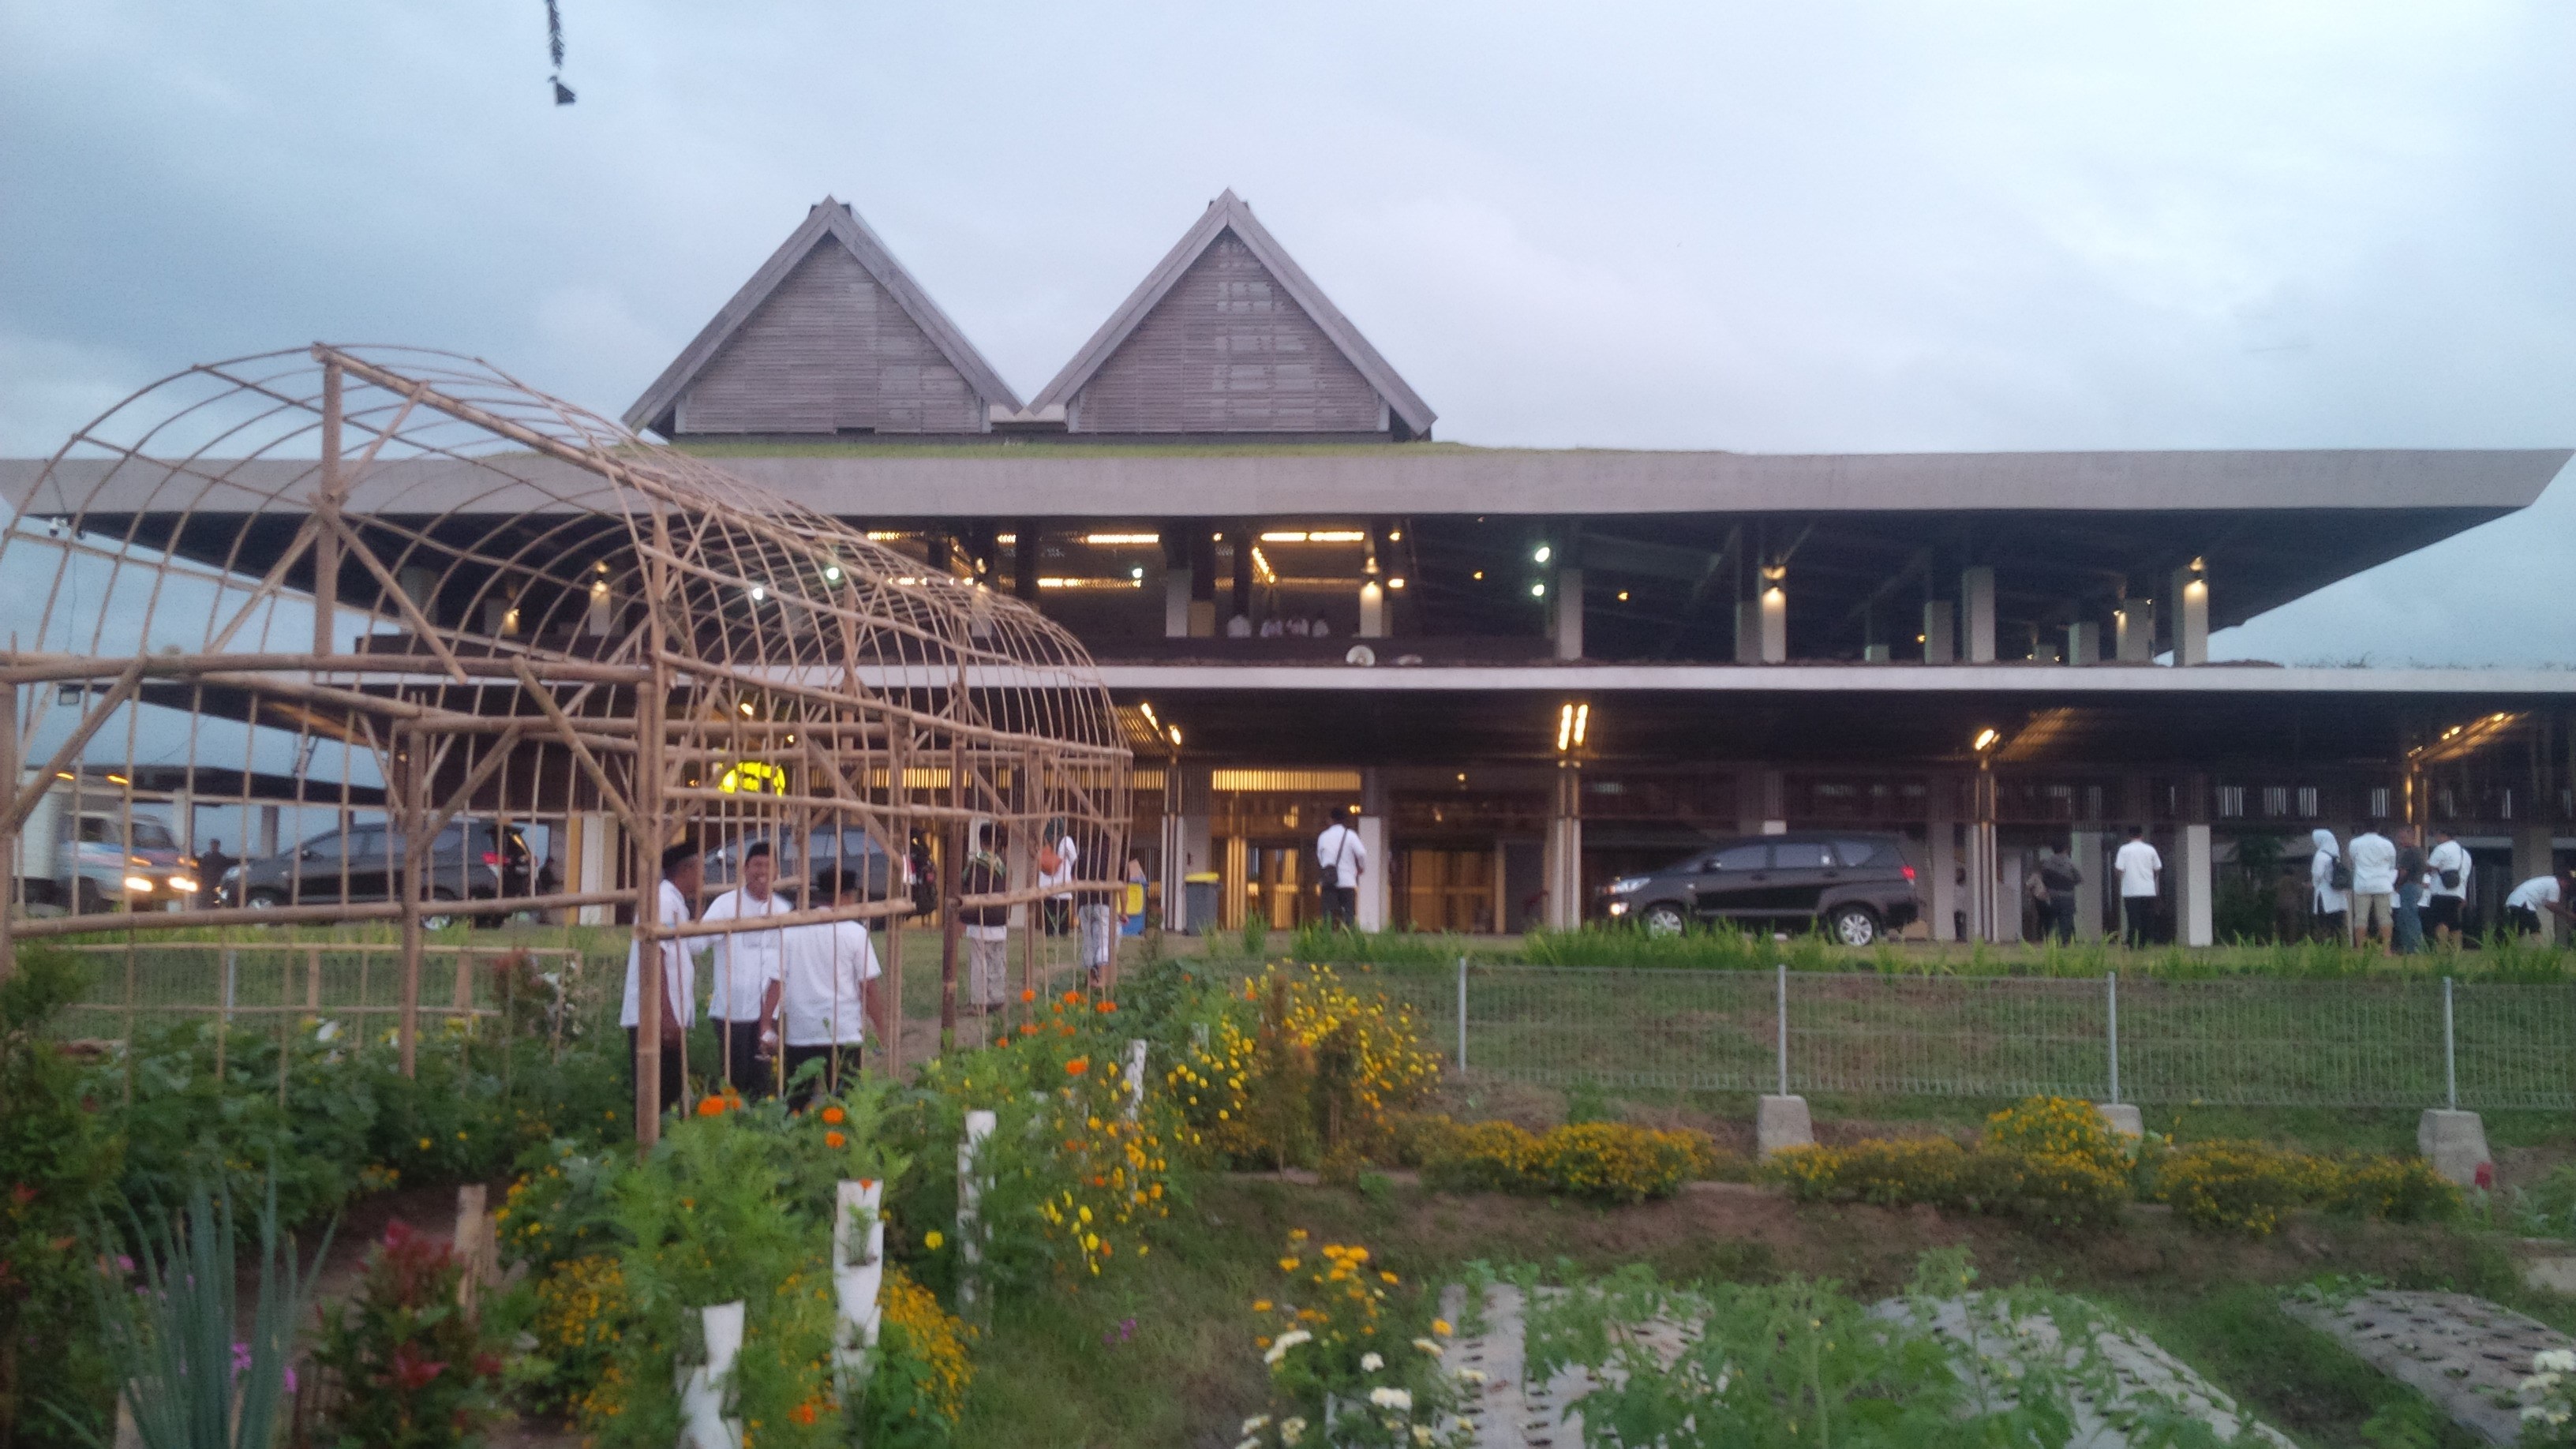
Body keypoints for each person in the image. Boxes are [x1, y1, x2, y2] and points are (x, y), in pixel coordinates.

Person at [762, 868, 884, 1108]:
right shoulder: (855, 933)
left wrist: (766, 1024)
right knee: (845, 1102)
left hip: (802, 1032)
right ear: (848, 896)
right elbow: (868, 987)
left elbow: (776, 983)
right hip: (843, 1031)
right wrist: (880, 1027)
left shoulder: (792, 930)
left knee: (795, 1101)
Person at [622, 838, 706, 1114]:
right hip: (656, 1015)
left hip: (667, 1014)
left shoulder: (676, 902)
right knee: (656, 1094)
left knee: (668, 1092)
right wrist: (665, 1015)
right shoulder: (663, 901)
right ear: (687, 870)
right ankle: (648, 1151)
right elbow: (655, 957)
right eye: (700, 870)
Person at [701, 840, 791, 1095]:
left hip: (768, 1012)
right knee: (733, 1077)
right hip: (733, 1009)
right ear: (745, 869)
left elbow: (781, 970)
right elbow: (698, 942)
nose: (761, 871)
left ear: (776, 871)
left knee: (762, 1079)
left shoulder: (783, 910)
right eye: (756, 865)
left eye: (767, 865)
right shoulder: (725, 905)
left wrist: (767, 1022)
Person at [958, 824, 1010, 1013]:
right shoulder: (1002, 864)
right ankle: (997, 998)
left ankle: (980, 1002)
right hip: (1000, 919)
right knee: (997, 960)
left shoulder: (977, 865)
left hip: (982, 919)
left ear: (981, 841)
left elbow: (971, 893)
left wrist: (962, 917)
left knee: (980, 962)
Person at [2346, 819, 2398, 952]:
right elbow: (2392, 864)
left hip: (2362, 884)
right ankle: (2386, 950)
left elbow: (2353, 861)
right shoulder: (2387, 844)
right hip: (2383, 884)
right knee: (2385, 917)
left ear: (2362, 829)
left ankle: (2360, 950)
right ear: (2379, 829)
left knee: (2361, 918)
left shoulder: (2355, 843)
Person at [1315, 806, 1367, 930]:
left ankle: (1327, 940)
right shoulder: (1350, 835)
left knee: (1327, 915)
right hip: (1347, 881)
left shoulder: (1323, 836)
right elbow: (1362, 853)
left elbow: (1320, 856)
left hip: (1328, 881)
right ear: (1345, 820)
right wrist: (1361, 867)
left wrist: (1327, 868)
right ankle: (1349, 940)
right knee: (1349, 914)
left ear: (1330, 820)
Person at [2113, 826, 2161, 946]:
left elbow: (2119, 869)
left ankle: (2134, 942)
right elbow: (2157, 868)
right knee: (2147, 918)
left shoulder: (2124, 850)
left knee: (2133, 919)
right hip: (2148, 890)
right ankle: (2147, 942)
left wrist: (2123, 880)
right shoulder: (2150, 849)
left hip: (2130, 890)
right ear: (2141, 835)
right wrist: (2152, 878)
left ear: (2129, 835)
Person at [2426, 827, 2471, 946]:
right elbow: (2465, 875)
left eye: (2437, 835)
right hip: (2458, 893)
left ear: (2443, 835)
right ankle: (2456, 949)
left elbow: (2430, 867)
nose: (2436, 838)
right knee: (2454, 922)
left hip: (2441, 891)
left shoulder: (2442, 849)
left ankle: (2442, 948)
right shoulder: (2464, 853)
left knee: (2440, 921)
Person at [2503, 870, 2574, 942]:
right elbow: (2551, 905)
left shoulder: (2548, 881)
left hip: (2514, 902)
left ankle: (2507, 947)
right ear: (2563, 880)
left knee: (2517, 931)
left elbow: (2548, 904)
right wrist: (2569, 915)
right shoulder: (2555, 885)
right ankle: (2543, 949)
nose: (2566, 888)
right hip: (2524, 903)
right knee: (2535, 928)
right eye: (2567, 885)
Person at [2391, 825, 2428, 956]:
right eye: (2399, 838)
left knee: (2410, 917)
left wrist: (2397, 885)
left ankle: (2415, 947)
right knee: (2404, 917)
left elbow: (2403, 872)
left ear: (2412, 837)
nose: (2400, 841)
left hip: (2409, 886)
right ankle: (2408, 947)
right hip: (2417, 886)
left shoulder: (2410, 852)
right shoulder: (2420, 852)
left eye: (2403, 838)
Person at [2308, 828, 2349, 942]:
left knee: (2324, 923)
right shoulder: (2335, 855)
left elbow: (2317, 875)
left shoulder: (2320, 855)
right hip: (2338, 895)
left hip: (2324, 894)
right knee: (2338, 923)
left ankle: (2325, 943)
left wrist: (2314, 884)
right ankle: (2340, 944)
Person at [2036, 843, 2082, 944]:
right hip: (2068, 897)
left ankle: (2051, 942)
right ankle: (2065, 942)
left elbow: (2043, 878)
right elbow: (2079, 879)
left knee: (2051, 921)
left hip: (2052, 897)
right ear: (2066, 849)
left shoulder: (2047, 863)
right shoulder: (2070, 863)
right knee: (2066, 921)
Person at [1040, 822, 1077, 936]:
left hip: (1046, 886)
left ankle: (1049, 934)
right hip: (1063, 886)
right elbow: (1074, 860)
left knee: (1049, 920)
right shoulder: (1067, 841)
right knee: (1062, 921)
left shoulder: (1043, 840)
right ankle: (1062, 934)